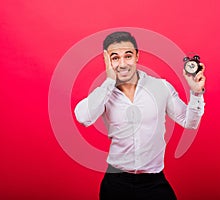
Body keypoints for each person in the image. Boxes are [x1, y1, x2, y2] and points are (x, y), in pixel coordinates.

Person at [74, 31, 206, 200]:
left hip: (154, 182)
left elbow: (189, 122)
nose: (122, 64)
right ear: (107, 61)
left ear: (137, 56)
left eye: (128, 56)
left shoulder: (161, 87)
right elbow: (84, 118)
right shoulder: (104, 94)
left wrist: (196, 94)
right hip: (116, 183)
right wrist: (109, 81)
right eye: (115, 58)